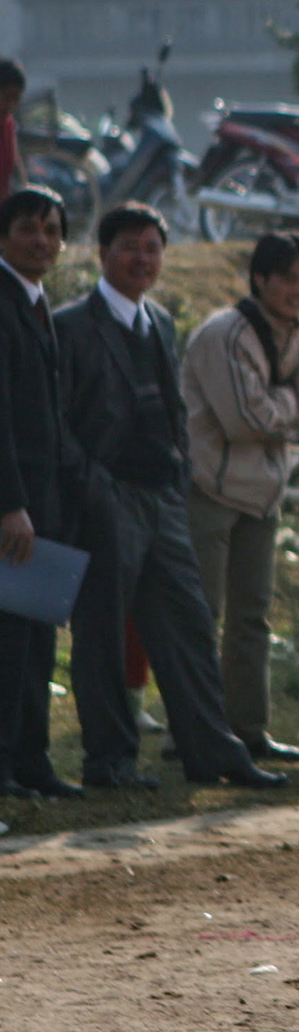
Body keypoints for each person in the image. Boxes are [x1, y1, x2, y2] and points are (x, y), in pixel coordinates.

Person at [55, 203, 288, 790]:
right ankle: (109, 760)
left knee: (187, 625)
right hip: (105, 498)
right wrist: (96, 488)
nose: (142, 258)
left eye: (153, 247)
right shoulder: (71, 326)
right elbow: (54, 424)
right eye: (130, 246)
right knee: (104, 635)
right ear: (103, 253)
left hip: (162, 498)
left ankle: (212, 750)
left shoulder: (158, 321)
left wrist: (179, 470)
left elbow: (175, 406)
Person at [181, 230, 299, 763]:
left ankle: (249, 729)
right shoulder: (224, 334)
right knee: (203, 614)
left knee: (252, 616)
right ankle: (191, 730)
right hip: (210, 489)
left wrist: (275, 407)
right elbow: (242, 421)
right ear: (260, 278)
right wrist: (282, 406)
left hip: (264, 495)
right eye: (288, 278)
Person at [0, 187, 83, 799]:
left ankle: (32, 760)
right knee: (7, 639)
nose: (42, 241)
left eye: (52, 230)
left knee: (37, 635)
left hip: (46, 497)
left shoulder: (35, 303)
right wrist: (9, 503)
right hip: (14, 504)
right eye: (29, 229)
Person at [0, 58, 23, 194]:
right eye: (6, 98)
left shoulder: (8, 124)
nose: (11, 105)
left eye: (16, 100)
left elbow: (15, 165)